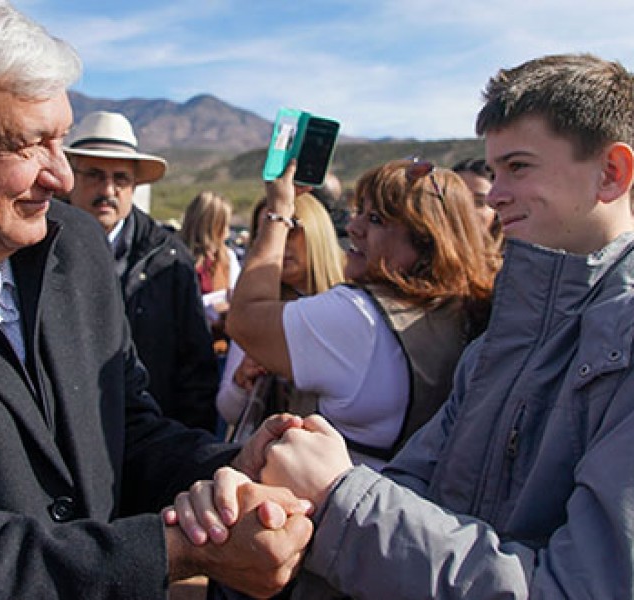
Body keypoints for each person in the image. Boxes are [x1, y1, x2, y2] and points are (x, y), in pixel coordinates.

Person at [0, 1, 315, 598]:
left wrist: (229, 469)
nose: (63, 177)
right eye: (31, 144)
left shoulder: (74, 245)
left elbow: (124, 429)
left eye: (61, 140)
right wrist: (174, 552)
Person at [177, 53, 634, 599]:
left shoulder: (614, 342)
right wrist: (295, 501)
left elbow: (577, 588)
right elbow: (418, 487)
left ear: (612, 173)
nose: (495, 193)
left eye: (519, 167)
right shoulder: (504, 338)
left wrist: (338, 494)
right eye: (494, 171)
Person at [226, 155, 500, 467]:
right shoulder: (459, 307)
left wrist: (278, 213)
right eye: (360, 212)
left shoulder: (358, 316)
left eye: (376, 219)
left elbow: (245, 318)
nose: (353, 228)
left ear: (426, 239)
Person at [65, 111, 220, 432]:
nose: (108, 189)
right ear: (71, 176)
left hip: (149, 439)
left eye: (120, 178)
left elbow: (196, 367)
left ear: (134, 185)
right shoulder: (33, 246)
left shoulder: (169, 258)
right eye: (94, 174)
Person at [217, 193, 345, 432]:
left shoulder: (352, 303)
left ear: (318, 230)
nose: (280, 241)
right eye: (266, 232)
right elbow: (228, 410)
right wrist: (240, 380)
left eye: (292, 226)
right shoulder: (256, 311)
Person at [179, 190, 242, 357]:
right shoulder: (175, 258)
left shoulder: (227, 259)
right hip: (185, 351)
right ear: (212, 227)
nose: (228, 233)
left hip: (219, 349)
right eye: (225, 226)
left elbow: (237, 298)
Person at [452, 156, 503, 245]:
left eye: (479, 202)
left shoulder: (521, 257)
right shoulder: (424, 256)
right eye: (457, 200)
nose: (467, 211)